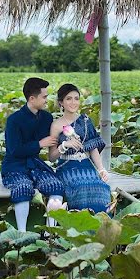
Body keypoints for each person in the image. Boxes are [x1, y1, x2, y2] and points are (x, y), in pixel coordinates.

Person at [1, 77, 65, 231]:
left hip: (35, 165)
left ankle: (52, 233)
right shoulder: (14, 120)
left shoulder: (47, 118)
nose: (46, 100)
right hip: (14, 166)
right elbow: (14, 150)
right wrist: (39, 144)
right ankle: (22, 233)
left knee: (56, 185)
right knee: (23, 187)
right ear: (32, 98)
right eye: (44, 97)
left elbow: (56, 136)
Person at [47, 83, 112, 214]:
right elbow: (51, 157)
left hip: (87, 165)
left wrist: (101, 169)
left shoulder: (86, 120)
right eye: (68, 99)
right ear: (61, 102)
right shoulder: (56, 125)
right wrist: (64, 146)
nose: (73, 102)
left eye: (76, 98)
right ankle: (78, 228)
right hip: (67, 166)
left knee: (101, 187)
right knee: (80, 187)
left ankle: (100, 228)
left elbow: (93, 148)